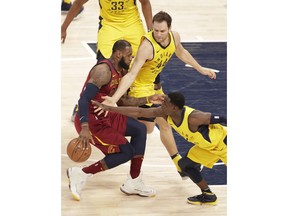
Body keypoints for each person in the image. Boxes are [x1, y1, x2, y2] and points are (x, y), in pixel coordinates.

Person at [97, 11, 217, 179]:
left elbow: (182, 53)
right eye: (156, 30)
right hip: (138, 88)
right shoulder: (147, 46)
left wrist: (201, 69)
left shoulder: (174, 37)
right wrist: (114, 98)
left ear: (169, 28)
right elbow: (131, 75)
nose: (159, 34)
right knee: (156, 124)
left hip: (153, 88)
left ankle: (178, 166)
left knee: (158, 125)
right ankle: (108, 135)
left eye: (162, 31)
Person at [93, 91, 227, 205]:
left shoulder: (194, 118)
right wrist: (110, 109)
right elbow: (139, 111)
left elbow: (223, 118)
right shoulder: (164, 113)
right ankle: (208, 195)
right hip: (207, 148)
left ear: (174, 108)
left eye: (166, 103)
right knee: (185, 165)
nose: (162, 104)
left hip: (225, 144)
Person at [67, 40, 160, 201]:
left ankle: (134, 181)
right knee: (126, 152)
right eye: (129, 55)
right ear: (118, 54)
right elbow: (83, 100)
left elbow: (124, 101)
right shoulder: (103, 71)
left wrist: (149, 98)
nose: (131, 58)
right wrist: (84, 127)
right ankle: (81, 173)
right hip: (91, 121)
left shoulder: (121, 72)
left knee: (140, 129)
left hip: (107, 115)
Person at [61, 0, 157, 121]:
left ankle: (141, 101)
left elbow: (145, 3)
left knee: (144, 60)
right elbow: (77, 3)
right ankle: (82, 104)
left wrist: (150, 31)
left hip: (132, 24)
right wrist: (63, 27)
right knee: (102, 67)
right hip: (109, 25)